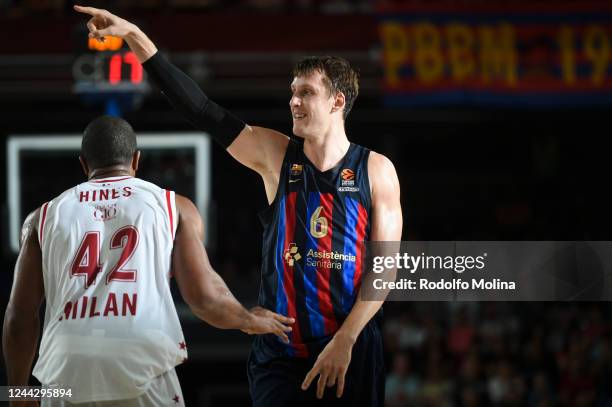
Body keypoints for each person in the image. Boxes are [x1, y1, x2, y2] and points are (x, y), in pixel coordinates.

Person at [75, 6, 403, 406]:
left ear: (337, 101)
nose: (293, 102)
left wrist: (346, 339)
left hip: (352, 345)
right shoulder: (277, 155)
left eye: (306, 93)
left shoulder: (376, 170)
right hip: (281, 349)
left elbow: (384, 270)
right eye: (292, 92)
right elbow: (202, 110)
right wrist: (134, 36)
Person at [2, 116, 294, 407]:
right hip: (140, 361)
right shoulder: (173, 206)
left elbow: (20, 315)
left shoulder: (42, 217)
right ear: (136, 160)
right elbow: (204, 298)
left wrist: (17, 391)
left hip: (63, 373)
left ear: (83, 164)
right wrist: (247, 319)